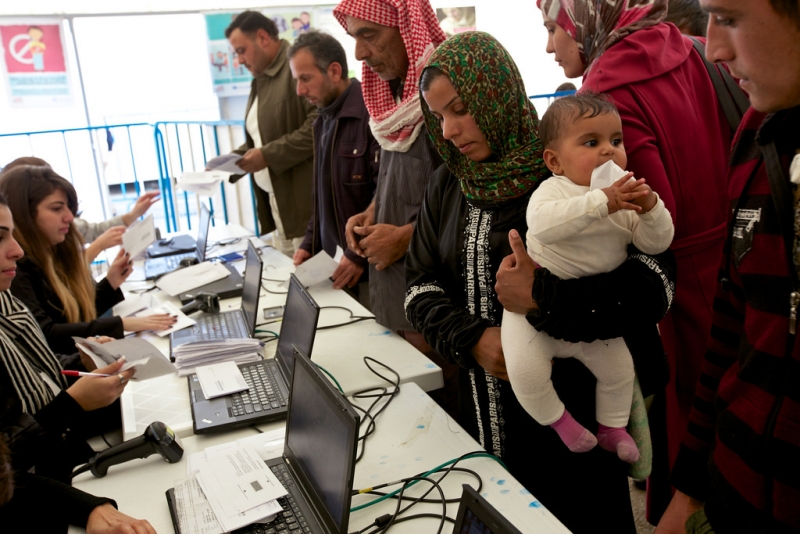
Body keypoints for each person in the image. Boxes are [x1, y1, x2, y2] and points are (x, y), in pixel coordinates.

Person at [408, 30, 677, 532]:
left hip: (576, 422)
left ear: (497, 95)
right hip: (480, 417)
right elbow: (419, 287)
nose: (449, 131)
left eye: (461, 109)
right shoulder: (449, 181)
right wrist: (474, 340)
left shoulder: (573, 165)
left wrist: (542, 299)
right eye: (439, 116)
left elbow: (655, 286)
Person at [528, 0, 735, 519]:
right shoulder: (688, 48)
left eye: (554, 28)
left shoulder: (604, 90)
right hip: (727, 251)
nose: (550, 46)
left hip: (672, 272)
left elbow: (639, 212)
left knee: (691, 419)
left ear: (584, 18)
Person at [655, 1, 800, 532]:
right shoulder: (755, 135)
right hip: (732, 493)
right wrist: (689, 488)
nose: (713, 48)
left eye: (730, 18)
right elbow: (731, 329)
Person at [502, 93, 674, 462]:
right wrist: (601, 202)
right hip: (532, 313)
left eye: (616, 140)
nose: (609, 150)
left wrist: (650, 209)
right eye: (591, 142)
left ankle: (612, 428)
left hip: (590, 317)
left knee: (620, 371)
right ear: (554, 161)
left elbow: (656, 244)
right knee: (524, 370)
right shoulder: (553, 191)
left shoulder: (624, 198)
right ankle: (560, 422)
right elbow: (544, 226)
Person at [0, 193, 154, 532]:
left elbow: (41, 367)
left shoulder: (6, 300)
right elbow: (7, 465)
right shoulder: (21, 275)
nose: (17, 250)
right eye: (0, 236)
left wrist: (81, 361)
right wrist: (72, 403)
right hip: (42, 478)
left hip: (58, 458)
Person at [0, 165, 175, 357]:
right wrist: (122, 323)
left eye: (68, 207)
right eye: (57, 208)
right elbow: (47, 335)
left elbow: (73, 316)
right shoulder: (15, 269)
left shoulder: (49, 253)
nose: (69, 217)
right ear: (25, 214)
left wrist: (110, 284)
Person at [288, 30, 379, 301]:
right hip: (333, 267)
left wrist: (356, 255)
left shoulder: (371, 114)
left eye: (306, 79)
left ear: (335, 71)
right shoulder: (322, 121)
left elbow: (386, 196)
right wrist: (309, 242)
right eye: (297, 80)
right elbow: (322, 196)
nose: (299, 91)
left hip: (366, 272)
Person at [225, 11, 318, 257]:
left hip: (304, 206)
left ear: (263, 38)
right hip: (278, 202)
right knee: (289, 273)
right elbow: (263, 136)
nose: (240, 60)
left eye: (241, 51)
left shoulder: (295, 69)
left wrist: (267, 155)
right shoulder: (261, 78)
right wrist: (230, 161)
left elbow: (318, 125)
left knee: (308, 276)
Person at [0, 156, 160, 263]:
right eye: (56, 208)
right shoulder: (20, 259)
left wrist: (134, 214)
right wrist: (98, 246)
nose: (69, 217)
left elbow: (93, 230)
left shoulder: (65, 229)